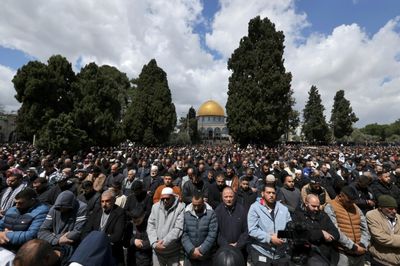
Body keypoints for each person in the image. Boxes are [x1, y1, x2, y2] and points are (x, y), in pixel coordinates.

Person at [324, 186, 370, 266]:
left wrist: (363, 244)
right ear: (340, 196)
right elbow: (335, 230)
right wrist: (352, 246)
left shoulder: (355, 207)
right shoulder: (330, 206)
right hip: (343, 253)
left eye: (353, 201)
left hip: (360, 252)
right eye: (349, 201)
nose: (351, 204)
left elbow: (364, 227)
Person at [38, 191, 87, 263]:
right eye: (59, 208)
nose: (61, 210)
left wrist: (53, 235)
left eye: (64, 208)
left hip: (72, 247)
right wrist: (58, 240)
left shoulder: (82, 208)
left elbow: (77, 232)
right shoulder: (54, 209)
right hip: (54, 244)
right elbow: (41, 232)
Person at [247, 184, 291, 265]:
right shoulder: (254, 208)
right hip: (261, 251)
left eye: (273, 193)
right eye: (268, 192)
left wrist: (281, 236)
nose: (271, 195)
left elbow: (290, 230)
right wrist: (270, 238)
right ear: (262, 193)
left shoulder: (284, 209)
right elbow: (252, 230)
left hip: (280, 253)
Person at [291, 194, 339, 265]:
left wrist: (329, 237)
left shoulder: (323, 215)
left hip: (327, 254)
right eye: (313, 206)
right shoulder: (298, 215)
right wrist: (321, 233)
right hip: (308, 254)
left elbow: (336, 233)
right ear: (306, 204)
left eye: (318, 206)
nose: (316, 209)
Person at [82, 190, 126, 266]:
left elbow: (117, 236)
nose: (104, 204)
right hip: (94, 248)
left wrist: (98, 240)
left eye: (107, 201)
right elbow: (86, 230)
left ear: (114, 200)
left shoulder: (120, 212)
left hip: (111, 250)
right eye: (102, 201)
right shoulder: (96, 211)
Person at [147, 187, 185, 266]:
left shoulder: (180, 208)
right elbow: (150, 225)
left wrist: (164, 242)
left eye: (167, 198)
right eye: (163, 198)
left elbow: (178, 228)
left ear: (172, 196)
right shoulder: (155, 207)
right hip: (157, 251)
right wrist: (154, 242)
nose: (165, 200)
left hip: (173, 251)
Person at [182, 193, 218, 266]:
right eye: (194, 205)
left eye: (199, 205)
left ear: (203, 202)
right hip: (190, 256)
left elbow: (212, 234)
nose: (196, 208)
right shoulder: (186, 213)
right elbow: (183, 233)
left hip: (205, 256)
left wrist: (201, 250)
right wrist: (191, 250)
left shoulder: (211, 214)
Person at [214, 187, 248, 259]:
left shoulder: (242, 210)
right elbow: (216, 232)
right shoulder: (217, 211)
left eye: (230, 196)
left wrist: (238, 244)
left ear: (234, 197)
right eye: (226, 197)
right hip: (223, 251)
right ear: (222, 197)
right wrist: (226, 245)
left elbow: (246, 230)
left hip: (240, 251)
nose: (228, 199)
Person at [366, 195, 400, 266]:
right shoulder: (372, 215)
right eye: (390, 208)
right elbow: (381, 238)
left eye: (395, 208)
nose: (394, 211)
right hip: (380, 260)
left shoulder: (398, 217)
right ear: (380, 208)